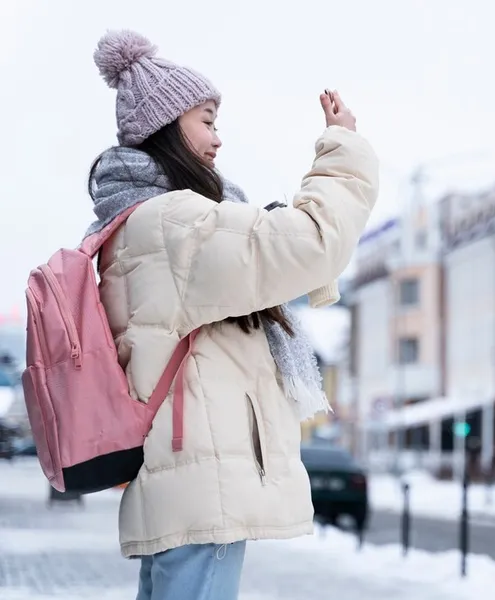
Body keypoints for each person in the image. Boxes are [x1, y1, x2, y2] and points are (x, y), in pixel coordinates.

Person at [85, 30, 379, 600]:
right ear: (168, 126)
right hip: (203, 475)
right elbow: (309, 243)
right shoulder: (175, 223)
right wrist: (343, 148)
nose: (218, 139)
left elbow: (269, 263)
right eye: (208, 120)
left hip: (181, 472)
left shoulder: (139, 222)